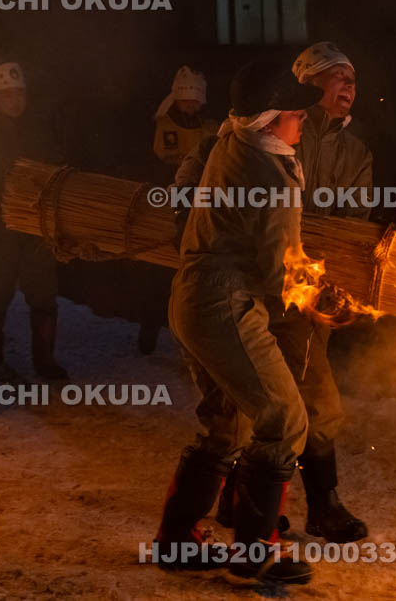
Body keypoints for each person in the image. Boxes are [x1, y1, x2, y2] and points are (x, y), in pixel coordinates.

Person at [156, 61, 322, 585]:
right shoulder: (272, 176)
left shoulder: (231, 139)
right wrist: (321, 301)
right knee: (284, 419)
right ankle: (256, 557)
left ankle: (177, 543)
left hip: (190, 299)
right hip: (225, 306)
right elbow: (279, 274)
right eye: (296, 115)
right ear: (271, 121)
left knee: (226, 424)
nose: (302, 123)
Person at [214, 42, 372, 543]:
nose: (349, 85)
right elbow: (200, 169)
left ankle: (322, 507)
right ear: (307, 81)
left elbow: (356, 226)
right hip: (248, 290)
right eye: (336, 76)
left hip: (305, 298)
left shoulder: (354, 153)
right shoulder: (264, 127)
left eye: (353, 78)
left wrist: (333, 290)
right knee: (247, 403)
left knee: (317, 402)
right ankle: (239, 502)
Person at [0, 62, 67, 380]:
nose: (15, 101)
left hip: (36, 223)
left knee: (43, 290)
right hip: (1, 224)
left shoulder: (38, 128)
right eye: (7, 95)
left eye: (19, 94)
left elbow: (55, 166)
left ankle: (45, 360)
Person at [152, 66, 217, 169]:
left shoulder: (211, 128)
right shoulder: (164, 124)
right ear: (176, 100)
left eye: (195, 101)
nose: (190, 105)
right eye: (185, 100)